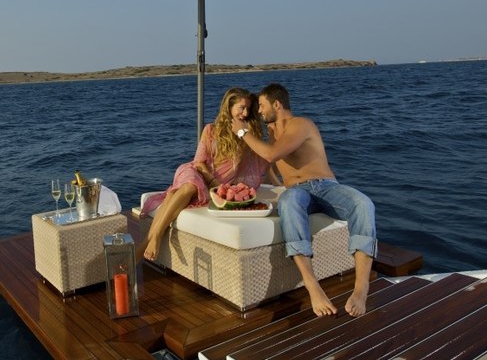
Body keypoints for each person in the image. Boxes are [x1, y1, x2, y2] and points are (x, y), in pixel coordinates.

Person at [232, 83, 377, 317]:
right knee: (289, 201)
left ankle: (361, 288)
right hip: (297, 192)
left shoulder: (301, 124)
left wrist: (242, 131)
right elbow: (267, 161)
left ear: (277, 104)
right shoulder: (270, 134)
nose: (258, 111)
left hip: (326, 187)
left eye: (261, 106)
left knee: (363, 204)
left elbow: (271, 154)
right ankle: (313, 286)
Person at [140, 87, 277, 262]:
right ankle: (157, 237)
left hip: (211, 186)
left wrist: (277, 182)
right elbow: (198, 162)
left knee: (173, 195)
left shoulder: (246, 136)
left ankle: (142, 246)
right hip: (195, 172)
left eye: (248, 109)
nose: (245, 113)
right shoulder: (211, 130)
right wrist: (212, 181)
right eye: (241, 108)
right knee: (190, 185)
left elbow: (263, 160)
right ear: (229, 107)